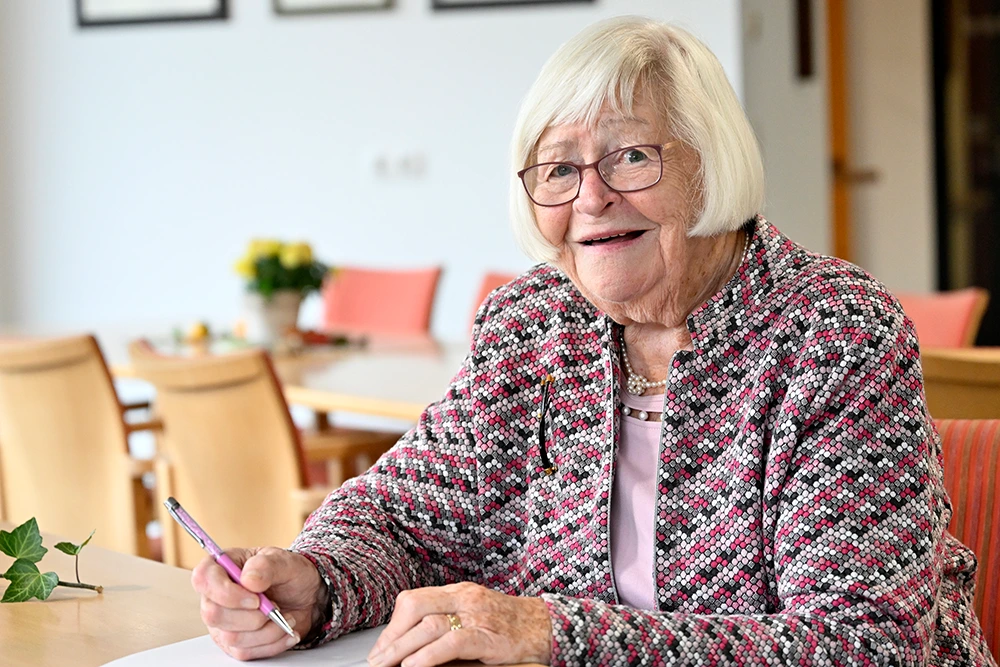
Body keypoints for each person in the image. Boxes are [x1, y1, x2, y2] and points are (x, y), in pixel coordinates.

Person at [192, 16, 996, 667]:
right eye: (557, 168)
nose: (592, 197)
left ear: (711, 165)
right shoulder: (531, 324)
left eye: (632, 156)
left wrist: (553, 635)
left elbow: (862, 646)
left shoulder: (835, 334)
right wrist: (317, 581)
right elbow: (400, 516)